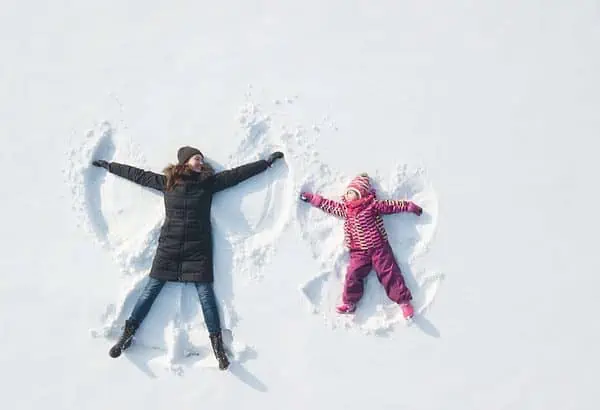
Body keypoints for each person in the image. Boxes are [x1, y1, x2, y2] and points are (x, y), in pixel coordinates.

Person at [92, 146, 284, 369]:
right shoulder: (168, 182)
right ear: (184, 162)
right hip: (170, 247)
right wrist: (110, 167)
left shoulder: (208, 182)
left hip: (198, 248)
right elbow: (138, 175)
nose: (200, 162)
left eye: (201, 159)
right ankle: (127, 336)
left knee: (206, 295)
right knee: (151, 289)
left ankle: (218, 348)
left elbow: (237, 175)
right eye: (196, 158)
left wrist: (266, 163)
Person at [300, 173, 422, 319]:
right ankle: (350, 303)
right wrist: (313, 199)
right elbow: (330, 206)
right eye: (348, 192)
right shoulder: (347, 210)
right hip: (358, 252)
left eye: (353, 192)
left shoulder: (372, 206)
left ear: (361, 194)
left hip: (379, 247)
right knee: (353, 274)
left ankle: (404, 302)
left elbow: (391, 206)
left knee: (389, 273)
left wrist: (408, 206)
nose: (349, 195)